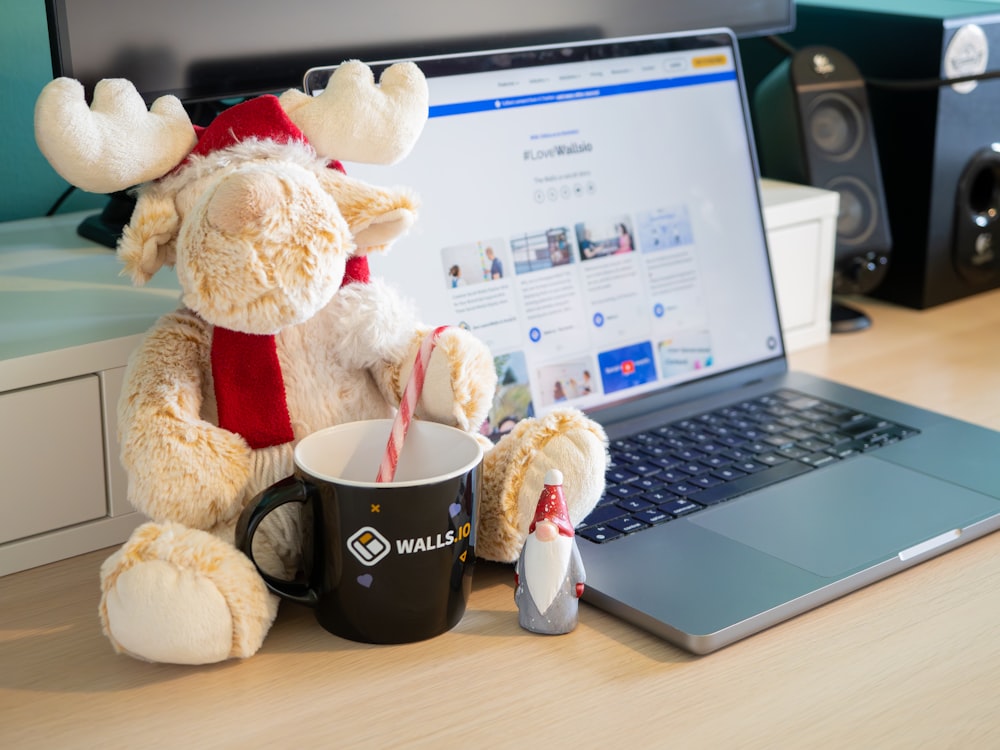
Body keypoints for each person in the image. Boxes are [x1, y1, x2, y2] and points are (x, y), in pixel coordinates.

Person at [514, 469, 586, 634]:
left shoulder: (567, 544)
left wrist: (578, 581)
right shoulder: (531, 541)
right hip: (529, 606)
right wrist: (518, 575)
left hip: (563, 610)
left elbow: (577, 567)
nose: (545, 529)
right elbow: (521, 565)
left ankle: (558, 623)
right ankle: (530, 617)